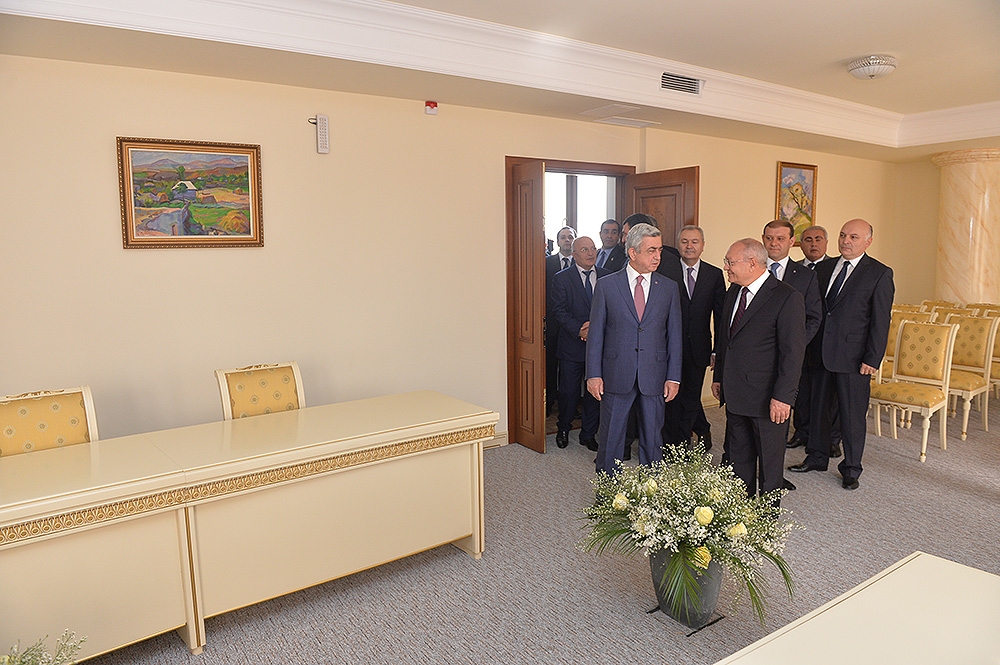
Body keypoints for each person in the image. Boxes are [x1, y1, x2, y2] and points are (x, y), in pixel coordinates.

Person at [788, 219, 894, 491]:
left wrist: (872, 358)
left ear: (868, 241)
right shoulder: (823, 268)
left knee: (851, 416)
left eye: (854, 237)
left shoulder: (879, 273)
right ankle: (816, 457)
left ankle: (851, 468)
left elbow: (880, 321)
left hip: (854, 358)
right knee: (818, 410)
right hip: (820, 352)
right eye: (843, 235)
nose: (846, 241)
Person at [712, 239, 806, 501]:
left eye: (730, 262)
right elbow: (725, 340)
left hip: (768, 398)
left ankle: (766, 517)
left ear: (752, 263)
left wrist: (783, 397)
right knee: (738, 458)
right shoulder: (734, 292)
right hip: (735, 393)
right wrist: (719, 377)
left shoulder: (787, 297)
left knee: (769, 464)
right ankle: (742, 513)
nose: (726, 267)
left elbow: (792, 354)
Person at [586, 223, 682, 474]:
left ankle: (651, 491)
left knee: (653, 438)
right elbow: (596, 335)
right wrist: (593, 374)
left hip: (655, 374)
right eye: (651, 250)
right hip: (616, 372)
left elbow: (675, 336)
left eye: (659, 250)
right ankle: (608, 489)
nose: (658, 256)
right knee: (611, 436)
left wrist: (674, 377)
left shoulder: (669, 288)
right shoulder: (607, 286)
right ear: (632, 252)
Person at [657, 225, 726, 450]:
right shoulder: (664, 272)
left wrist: (717, 350)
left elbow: (721, 317)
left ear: (703, 245)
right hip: (668, 347)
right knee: (670, 397)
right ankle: (674, 443)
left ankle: (683, 442)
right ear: (678, 245)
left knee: (690, 397)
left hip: (699, 348)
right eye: (684, 241)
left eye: (695, 242)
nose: (689, 246)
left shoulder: (714, 275)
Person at [550, 236, 608, 451]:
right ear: (574, 254)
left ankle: (588, 433)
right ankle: (563, 429)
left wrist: (595, 329)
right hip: (572, 345)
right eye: (585, 249)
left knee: (595, 392)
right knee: (569, 392)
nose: (591, 253)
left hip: (600, 346)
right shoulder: (562, 278)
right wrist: (580, 330)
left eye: (593, 248)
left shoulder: (607, 276)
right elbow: (559, 310)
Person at [787, 224, 839, 453]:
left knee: (829, 394)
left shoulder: (836, 268)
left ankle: (832, 439)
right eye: (808, 239)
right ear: (800, 244)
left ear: (826, 243)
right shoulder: (794, 270)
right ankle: (802, 431)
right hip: (802, 339)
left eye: (818, 239)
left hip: (828, 341)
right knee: (801, 388)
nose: (813, 244)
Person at [546, 226, 577, 414]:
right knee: (550, 366)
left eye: (570, 237)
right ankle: (548, 403)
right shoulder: (546, 263)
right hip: (552, 325)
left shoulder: (581, 264)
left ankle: (570, 407)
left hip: (574, 326)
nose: (567, 240)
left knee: (570, 370)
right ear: (558, 241)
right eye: (563, 237)